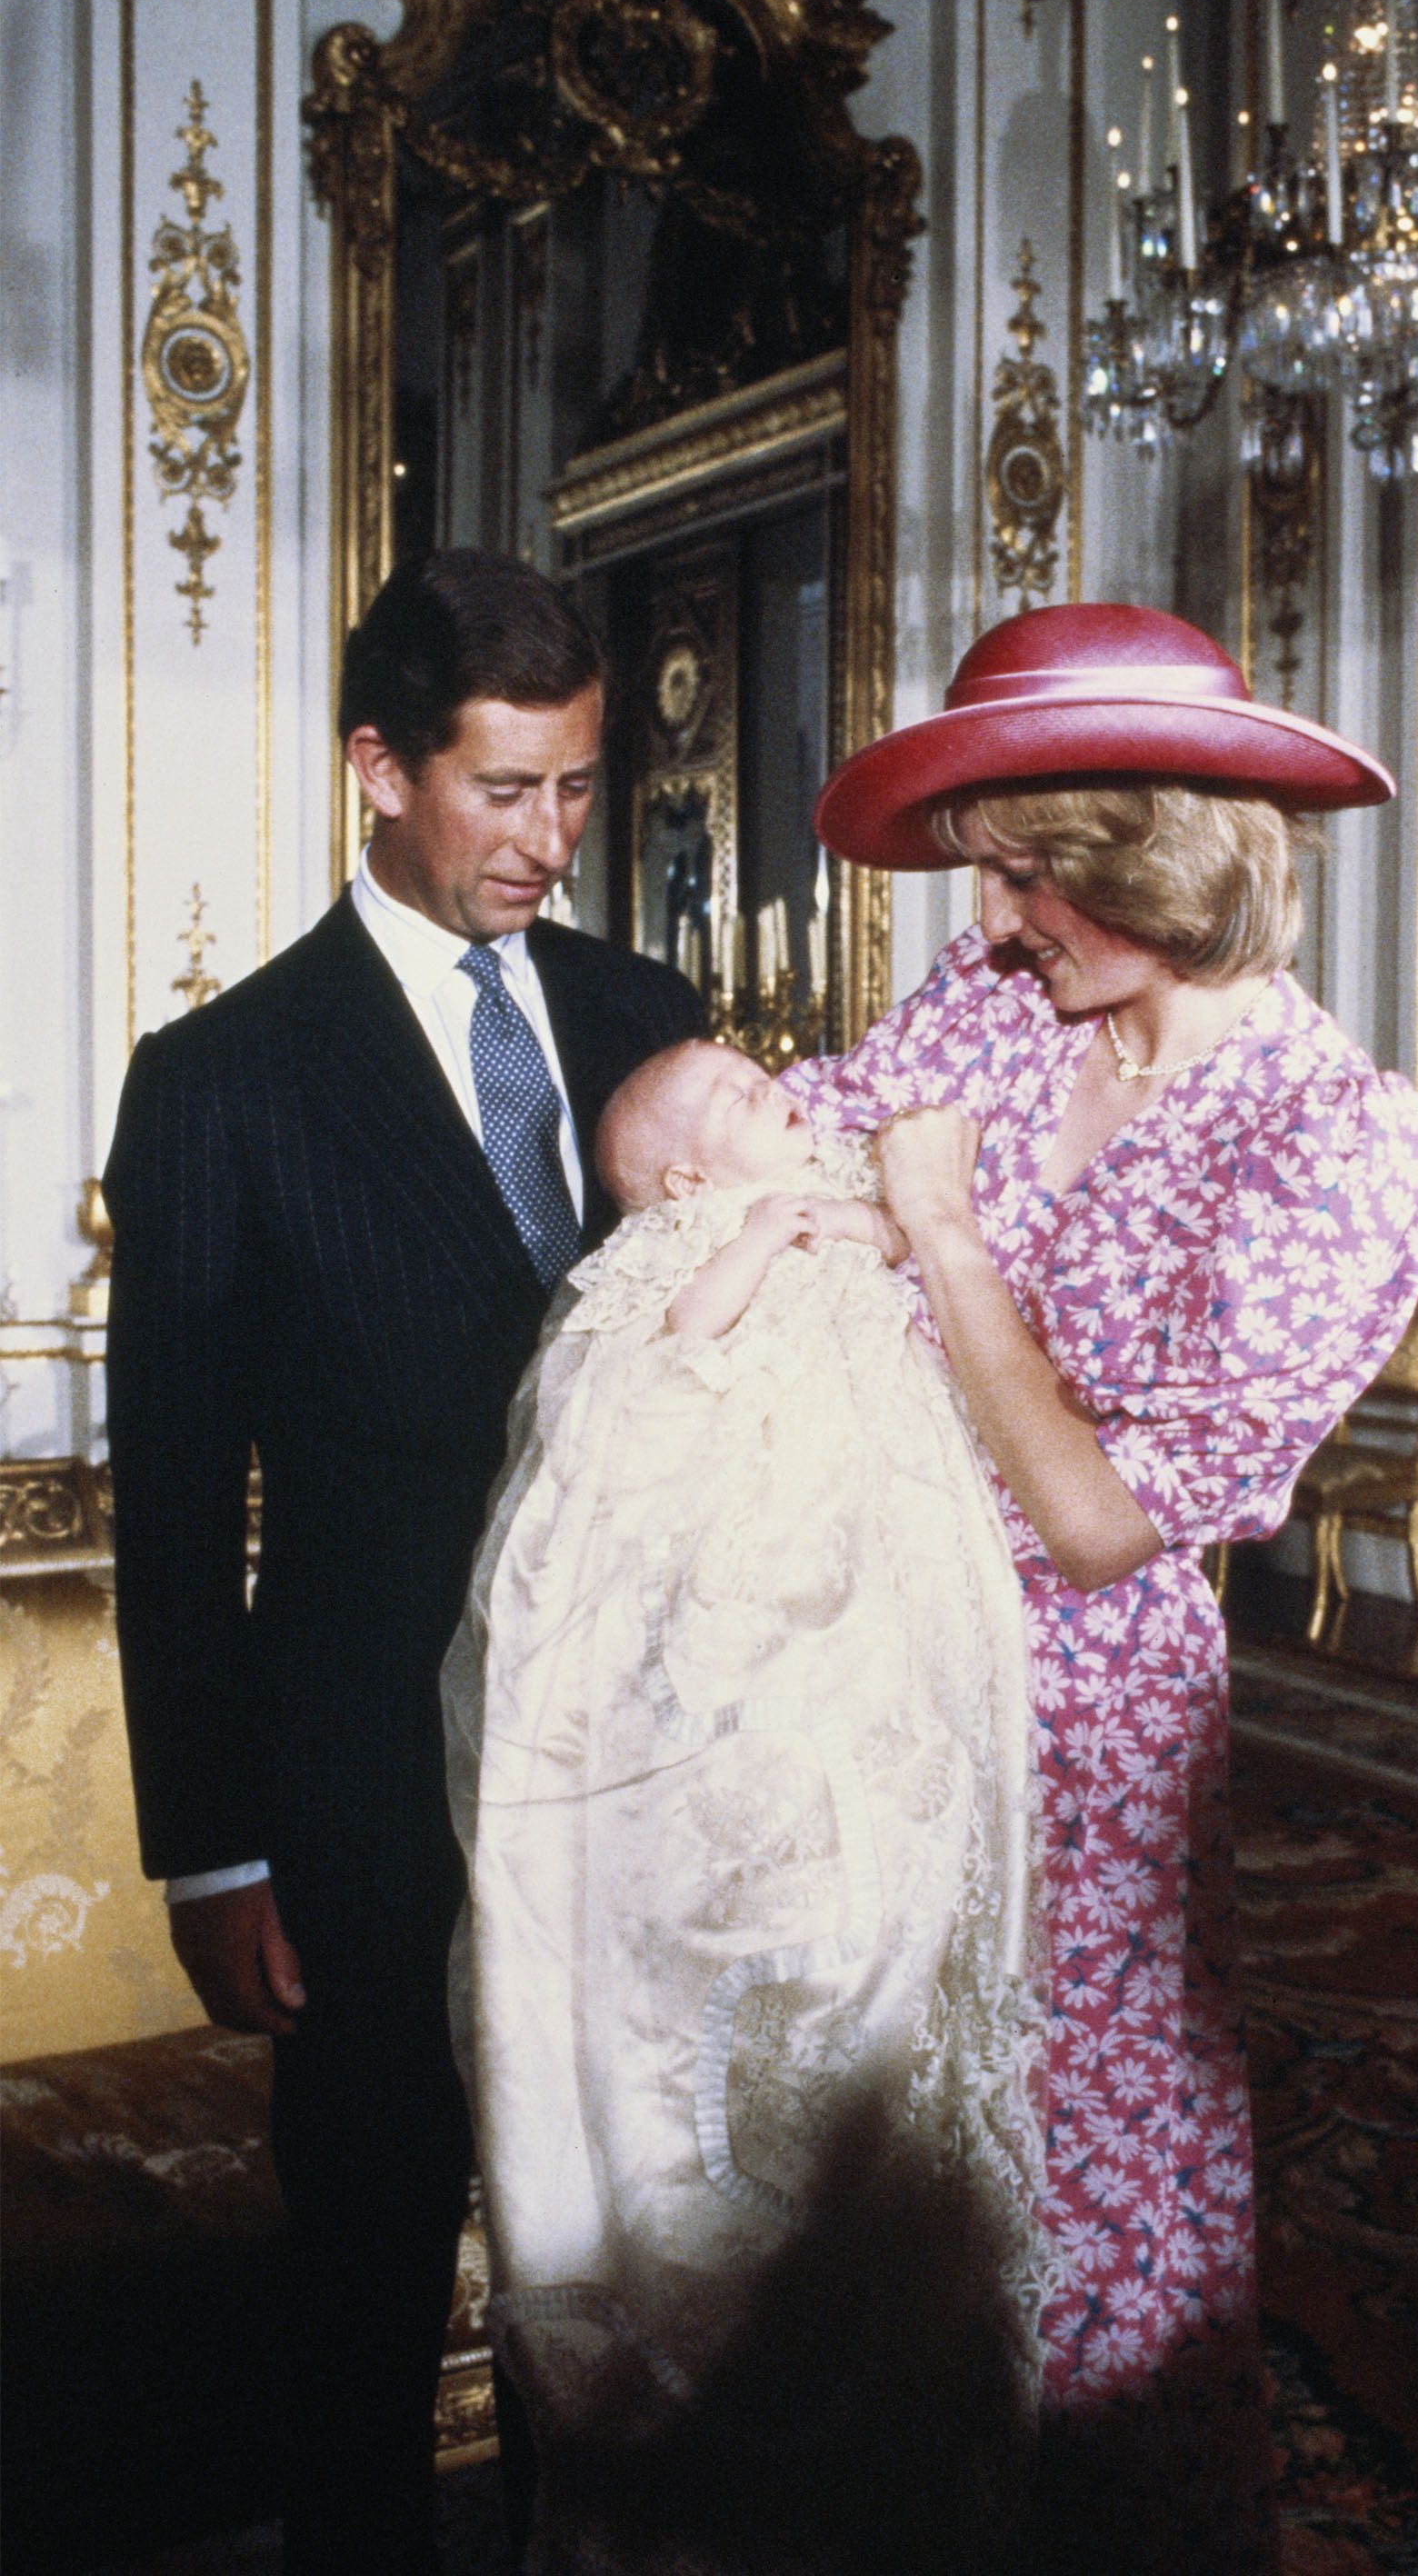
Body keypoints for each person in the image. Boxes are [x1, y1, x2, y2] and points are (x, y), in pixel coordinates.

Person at [785, 601, 1418, 2576]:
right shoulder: (1001, 1010)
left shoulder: (1335, 1140)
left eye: (1027, 874)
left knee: (1091, 2165)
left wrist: (940, 1234)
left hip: (1083, 1721)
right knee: (869, 2146)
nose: (986, 922)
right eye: (986, 873)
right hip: (865, 1658)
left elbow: (1092, 1527)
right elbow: (774, 1152)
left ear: (1150, 855)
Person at [102, 550, 704, 2575]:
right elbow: (177, 1507)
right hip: (362, 1793)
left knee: (614, 2275)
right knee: (361, 2275)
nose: (549, 840)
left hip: (633, 1779)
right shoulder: (222, 1086)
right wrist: (214, 1851)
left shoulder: (649, 1022)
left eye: (576, 789)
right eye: (503, 789)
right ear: (380, 767)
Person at [442, 1038, 1044, 2575]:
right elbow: (661, 1358)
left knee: (902, 1959)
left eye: (761, 1071)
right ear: (690, 1180)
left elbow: (909, 1232)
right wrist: (758, 1240)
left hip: (879, 1602)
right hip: (741, 1624)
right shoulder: (687, 1243)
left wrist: (873, 1221)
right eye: (731, 1098)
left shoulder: (827, 1192)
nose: (776, 1082)